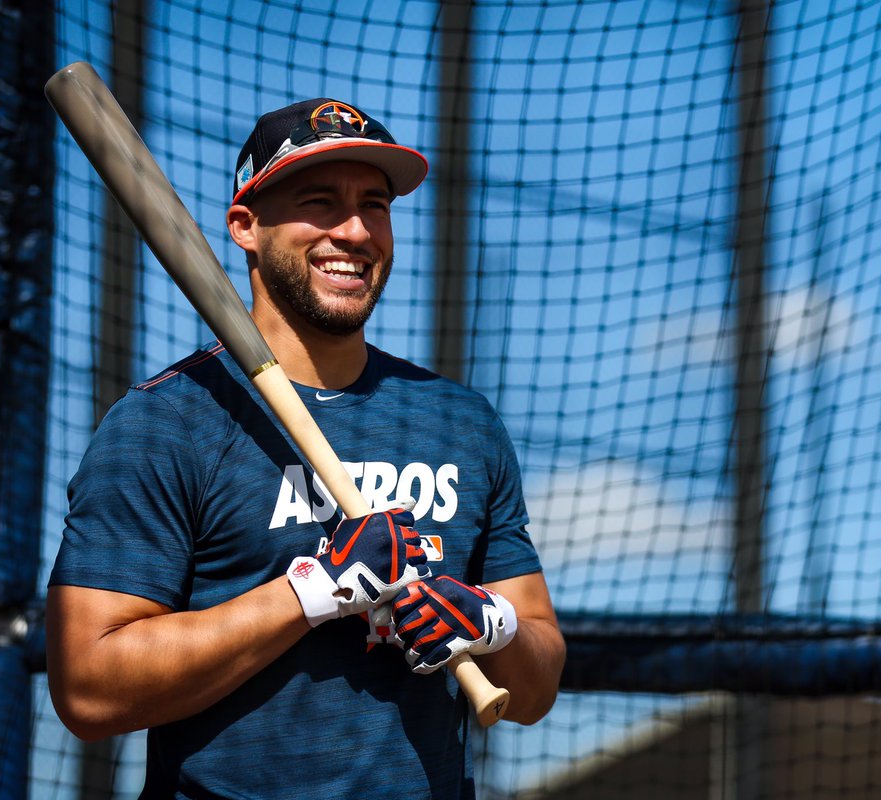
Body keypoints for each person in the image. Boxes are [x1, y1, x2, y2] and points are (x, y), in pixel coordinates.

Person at [46, 97, 565, 799]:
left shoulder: (461, 423)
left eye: (374, 206)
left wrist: (493, 627)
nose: (353, 231)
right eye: (319, 202)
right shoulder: (167, 422)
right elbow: (89, 689)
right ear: (245, 226)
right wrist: (315, 592)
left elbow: (534, 690)